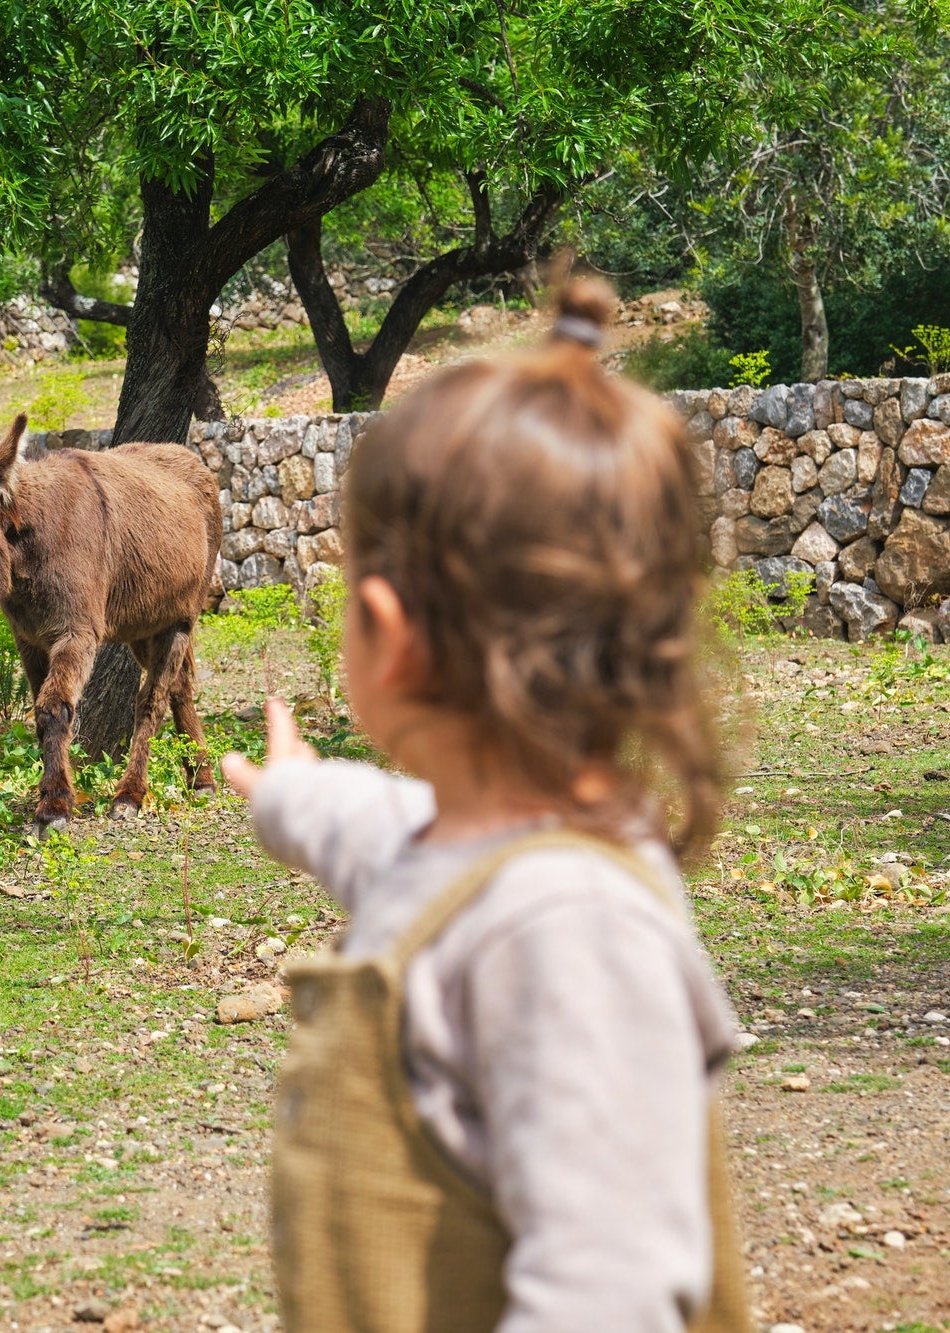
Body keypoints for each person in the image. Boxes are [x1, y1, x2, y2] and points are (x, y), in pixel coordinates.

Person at [221, 279, 749, 1333]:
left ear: (388, 625)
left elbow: (603, 1289)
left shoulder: (568, 930)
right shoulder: (463, 845)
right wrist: (291, 798)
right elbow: (379, 837)